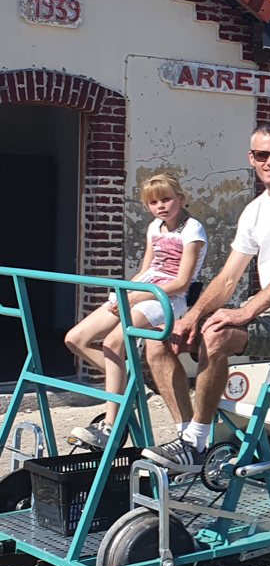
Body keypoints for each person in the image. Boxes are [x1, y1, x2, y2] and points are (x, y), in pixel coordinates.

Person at [142, 122, 270, 474]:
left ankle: (196, 444)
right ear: (252, 159)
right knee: (161, 337)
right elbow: (228, 277)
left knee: (216, 335)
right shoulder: (255, 210)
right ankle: (187, 434)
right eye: (262, 155)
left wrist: (244, 312)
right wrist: (190, 317)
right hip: (266, 312)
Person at [65, 175, 207, 450]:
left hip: (166, 298)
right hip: (143, 290)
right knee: (76, 339)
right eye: (153, 202)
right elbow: (146, 269)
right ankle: (129, 385)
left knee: (113, 343)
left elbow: (181, 283)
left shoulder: (193, 231)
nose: (161, 206)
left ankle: (110, 425)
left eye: (166, 199)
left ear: (180, 198)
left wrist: (135, 297)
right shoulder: (155, 227)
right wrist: (125, 292)